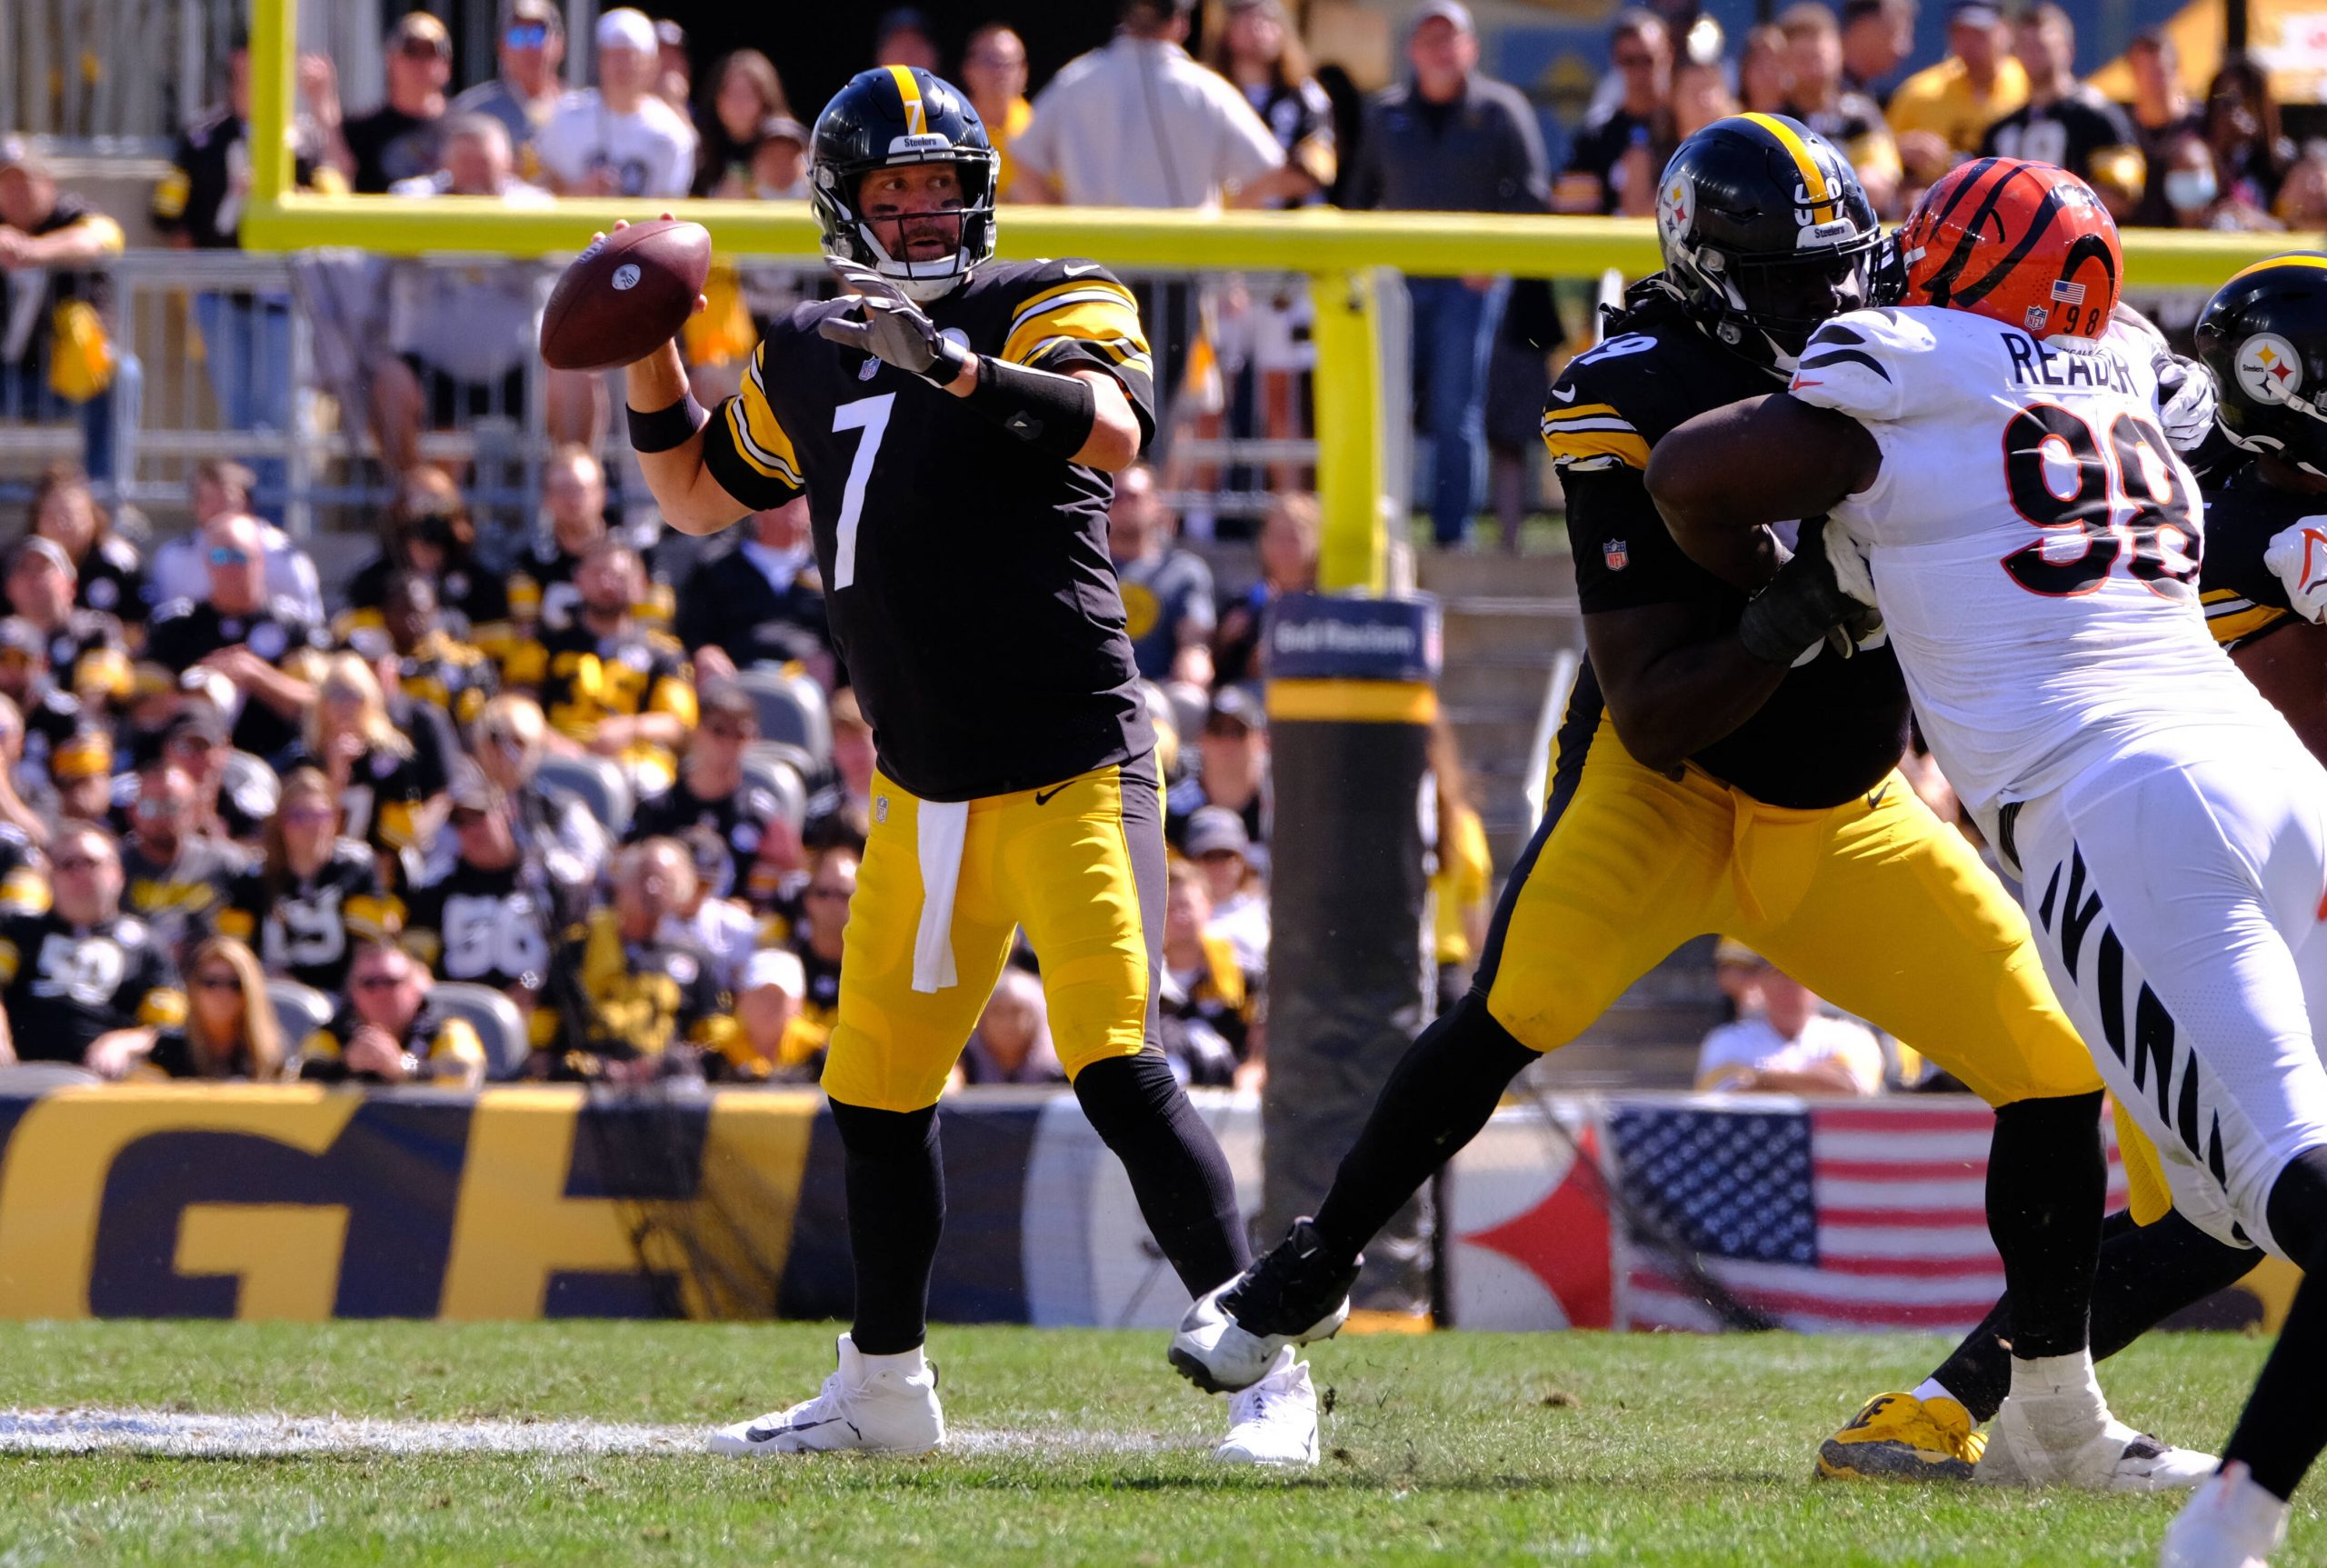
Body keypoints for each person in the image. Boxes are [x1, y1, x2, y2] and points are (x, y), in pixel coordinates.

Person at [1169, 118, 2205, 1493]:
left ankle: (2051, 1418)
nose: (1824, 307)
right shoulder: (1634, 384)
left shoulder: (1908, 329)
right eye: (1790, 282)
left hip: (1840, 811)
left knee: (2053, 1069)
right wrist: (1795, 614)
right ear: (1712, 273)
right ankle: (1308, 1267)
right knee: (1508, 1013)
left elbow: (2091, 355)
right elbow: (1653, 704)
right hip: (1664, 784)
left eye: (1842, 274)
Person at [611, 64, 1308, 1463]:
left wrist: (964, 371)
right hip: (923, 781)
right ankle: (884, 1386)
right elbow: (692, 496)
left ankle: (1268, 1378)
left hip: (1067, 756)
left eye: (941, 188)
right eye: (895, 192)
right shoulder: (808, 348)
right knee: (875, 1088)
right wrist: (647, 344)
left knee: (1116, 1061)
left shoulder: (1049, 293)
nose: (924, 214)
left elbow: (1116, 427)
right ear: (846, 207)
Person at [1643, 163, 2327, 1557]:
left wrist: (1795, 585)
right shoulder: (2130, 364)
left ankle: (2225, 1526)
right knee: (2221, 1195)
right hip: (2272, 781)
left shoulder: (1908, 354)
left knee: (2281, 1177)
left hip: (2112, 803)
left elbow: (1689, 468)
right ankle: (2172, 1486)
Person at [1343, 2, 1550, 547]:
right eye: (1429, 38)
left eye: (1450, 37)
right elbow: (1357, 202)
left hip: (1470, 281)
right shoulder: (1385, 114)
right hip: (1397, 285)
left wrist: (1493, 256)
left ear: (1471, 47)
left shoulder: (1503, 108)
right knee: (1385, 406)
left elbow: (1532, 198)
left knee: (1456, 409)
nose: (1441, 49)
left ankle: (1451, 536)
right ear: (1411, 50)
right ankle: (1378, 534)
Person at [151, 41, 344, 508]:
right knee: (240, 417)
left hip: (281, 299)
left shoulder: (299, 137)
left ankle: (281, 518)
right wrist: (192, 283)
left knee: (281, 416)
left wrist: (290, 192)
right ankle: (249, 515)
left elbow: (336, 201)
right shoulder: (201, 137)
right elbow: (169, 214)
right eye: (243, 70)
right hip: (219, 297)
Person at [1010, 1, 1293, 210]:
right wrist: (1225, 227)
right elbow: (1269, 172)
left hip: (1095, 267)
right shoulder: (1207, 88)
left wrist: (1064, 220)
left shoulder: (1076, 80)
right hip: (1181, 264)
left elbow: (1023, 158)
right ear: (1181, 22)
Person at [504, 537, 696, 799]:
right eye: (597, 574)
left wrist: (630, 728)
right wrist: (556, 743)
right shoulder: (544, 645)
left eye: (619, 576)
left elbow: (678, 724)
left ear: (641, 585)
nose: (607, 584)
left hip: (634, 761)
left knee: (652, 783)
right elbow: (516, 711)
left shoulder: (664, 653)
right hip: (560, 753)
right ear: (578, 580)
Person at [0, 140, 135, 492]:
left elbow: (101, 239)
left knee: (121, 379)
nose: (17, 193)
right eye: (6, 184)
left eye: (25, 182)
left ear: (48, 184)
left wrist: (34, 251)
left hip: (59, 378)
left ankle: (101, 496)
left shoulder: (73, 215)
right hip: (5, 375)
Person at [544, 836, 734, 1081]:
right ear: (622, 882)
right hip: (587, 1083)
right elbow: (544, 1031)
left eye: (664, 881)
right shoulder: (577, 949)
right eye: (644, 877)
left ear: (682, 889)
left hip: (665, 1091)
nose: (653, 889)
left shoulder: (697, 960)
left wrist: (659, 1065)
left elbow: (715, 1042)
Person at [138, 512, 325, 761]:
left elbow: (319, 704)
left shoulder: (294, 625)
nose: (230, 567)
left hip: (279, 759)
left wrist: (256, 675)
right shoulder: (175, 625)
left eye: (239, 555)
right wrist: (195, 691)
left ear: (260, 560)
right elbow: (140, 711)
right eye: (220, 556)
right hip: (192, 761)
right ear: (206, 563)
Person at [403, 758, 560, 1053]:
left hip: (538, 1017)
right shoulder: (436, 889)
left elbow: (573, 953)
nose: (470, 830)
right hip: (458, 1027)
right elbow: (415, 961)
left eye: (479, 816)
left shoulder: (549, 880)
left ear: (507, 811)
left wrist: (536, 983)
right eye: (459, 822)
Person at [0, 822, 182, 1066]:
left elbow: (166, 1025)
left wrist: (123, 1043)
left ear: (118, 873)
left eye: (91, 863)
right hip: (20, 1078)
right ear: (50, 875)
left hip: (106, 1086)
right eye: (68, 864)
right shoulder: (18, 931)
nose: (80, 874)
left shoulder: (145, 944)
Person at [217, 767, 397, 996]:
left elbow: (369, 950)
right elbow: (234, 953)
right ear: (280, 823)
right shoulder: (251, 879)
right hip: (273, 996)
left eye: (322, 815)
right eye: (299, 816)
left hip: (345, 998)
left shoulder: (356, 870)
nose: (312, 826)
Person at [630, 679, 795, 904]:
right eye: (718, 731)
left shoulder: (764, 816)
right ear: (697, 732)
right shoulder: (655, 808)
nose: (728, 744)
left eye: (740, 734)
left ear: (753, 739)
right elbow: (626, 883)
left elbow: (783, 889)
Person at [464, 694, 605, 918]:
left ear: (536, 748)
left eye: (518, 742)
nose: (505, 753)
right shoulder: (457, 804)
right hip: (468, 908)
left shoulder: (559, 807)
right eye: (495, 740)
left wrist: (522, 856)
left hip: (533, 917)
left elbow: (589, 867)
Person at [535, 8, 697, 199]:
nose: (621, 67)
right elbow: (540, 185)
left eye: (630, 57)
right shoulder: (566, 116)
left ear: (652, 64)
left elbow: (671, 209)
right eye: (613, 56)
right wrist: (578, 192)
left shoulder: (671, 134)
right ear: (599, 61)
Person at [673, 498, 836, 685]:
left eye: (800, 495)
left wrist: (828, 659)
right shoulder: (718, 567)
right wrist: (705, 652)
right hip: (735, 681)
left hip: (810, 686)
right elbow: (693, 633)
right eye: (785, 495)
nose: (792, 504)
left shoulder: (829, 571)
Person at [1977, 5, 2139, 186]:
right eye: (2025, 47)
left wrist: (2051, 207)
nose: (2033, 55)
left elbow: (2122, 192)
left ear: (2068, 49)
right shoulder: (2002, 131)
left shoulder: (2099, 118)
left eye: (2042, 46)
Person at [90, 934, 285, 1082]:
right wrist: (114, 1044)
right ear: (193, 989)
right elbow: (149, 1039)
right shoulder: (174, 1048)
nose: (222, 993)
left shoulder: (275, 1055)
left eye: (235, 985)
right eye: (211, 983)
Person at [117, 754, 254, 965]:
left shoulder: (227, 863)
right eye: (149, 807)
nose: (160, 817)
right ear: (132, 812)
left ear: (195, 809)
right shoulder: (115, 866)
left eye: (171, 806)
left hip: (211, 979)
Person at [147, 462, 325, 623]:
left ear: (247, 503)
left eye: (226, 499)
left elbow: (311, 625)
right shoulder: (174, 558)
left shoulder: (284, 557)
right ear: (195, 506)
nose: (218, 509)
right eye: (208, 500)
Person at [300, 938, 484, 1088]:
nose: (381, 993)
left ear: (415, 989)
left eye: (391, 982)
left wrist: (404, 1067)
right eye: (369, 983)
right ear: (353, 993)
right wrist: (345, 1065)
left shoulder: (447, 1027)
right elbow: (301, 1076)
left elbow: (464, 1073)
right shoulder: (334, 1033)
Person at [1695, 955, 1884, 1094]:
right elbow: (1726, 1095)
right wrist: (1815, 1079)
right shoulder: (1727, 1039)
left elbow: (1851, 1087)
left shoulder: (1852, 1036)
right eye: (1778, 974)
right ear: (1761, 981)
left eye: (1800, 977)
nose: (1789, 985)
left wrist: (1762, 1078)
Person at [1780, 2, 1902, 215]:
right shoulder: (1777, 122)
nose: (1814, 67)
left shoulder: (1860, 115)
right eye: (1804, 58)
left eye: (1820, 56)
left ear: (1839, 53)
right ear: (1785, 61)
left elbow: (1879, 185)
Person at [1885, 0, 2028, 169]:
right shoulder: (1920, 93)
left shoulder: (2029, 85)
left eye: (1979, 33)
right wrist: (1902, 152)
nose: (1969, 44)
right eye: (1959, 32)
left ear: (2005, 30)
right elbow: (1881, 157)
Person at [1108, 463, 1214, 688]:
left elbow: (1194, 642)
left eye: (1133, 496)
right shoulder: (1084, 570)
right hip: (1098, 689)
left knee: (1189, 698)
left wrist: (1193, 660)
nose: (1124, 505)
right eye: (1116, 497)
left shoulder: (1184, 571)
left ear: (1156, 504)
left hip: (1160, 691)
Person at [1558, 10, 1672, 216]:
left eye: (1647, 60)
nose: (1639, 72)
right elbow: (1573, 217)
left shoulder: (1683, 129)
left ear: (1667, 56)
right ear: (1615, 61)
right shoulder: (1595, 137)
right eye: (1629, 61)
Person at [448, 0, 567, 185]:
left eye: (538, 36)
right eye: (517, 37)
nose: (529, 47)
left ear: (559, 45)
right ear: (501, 47)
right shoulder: (472, 111)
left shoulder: (580, 110)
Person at [1156, 859, 1252, 1087]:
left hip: (1230, 1101)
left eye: (1187, 905)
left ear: (1208, 906)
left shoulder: (1240, 978)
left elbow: (1260, 1047)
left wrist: (1251, 1074)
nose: (1180, 916)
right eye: (1170, 909)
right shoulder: (1145, 981)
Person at [337, 12, 453, 194]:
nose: (421, 63)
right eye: (411, 52)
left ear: (447, 65)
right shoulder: (359, 131)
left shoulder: (466, 129)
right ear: (390, 60)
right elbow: (339, 181)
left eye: (431, 53)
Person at [1213, 493, 1318, 687]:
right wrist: (1224, 640)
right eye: (1276, 536)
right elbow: (1218, 669)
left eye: (1292, 538)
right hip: (1247, 700)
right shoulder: (1246, 603)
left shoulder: (1324, 606)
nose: (1283, 547)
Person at [1427, 719, 1492, 1014]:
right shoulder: (1465, 828)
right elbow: (1477, 932)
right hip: (1446, 982)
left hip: (1386, 976)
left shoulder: (1381, 831)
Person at [1168, 687, 1269, 851]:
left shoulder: (1278, 808)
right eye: (1217, 730)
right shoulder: (1174, 811)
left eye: (1238, 732)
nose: (1227, 742)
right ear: (1200, 739)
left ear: (1261, 741)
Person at [2125, 30, 2202, 227]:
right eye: (2146, 71)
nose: (2155, 81)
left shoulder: (2201, 125)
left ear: (2176, 70)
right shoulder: (2122, 129)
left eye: (2161, 71)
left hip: (2195, 237)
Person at [692, 49, 790, 197]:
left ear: (765, 99)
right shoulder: (701, 147)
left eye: (747, 94)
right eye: (731, 93)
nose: (738, 104)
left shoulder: (786, 143)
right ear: (716, 98)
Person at [1182, 804, 1268, 974]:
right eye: (1210, 856)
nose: (1220, 866)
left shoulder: (1265, 911)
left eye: (1227, 855)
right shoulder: (1174, 913)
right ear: (1191, 862)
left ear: (1242, 861)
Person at [959, 25, 1035, 203]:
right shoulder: (952, 131)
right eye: (989, 61)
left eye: (1008, 64)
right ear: (968, 69)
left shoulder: (1038, 130)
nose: (999, 72)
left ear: (1024, 71)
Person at [956, 966, 1066, 1087]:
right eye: (997, 1012)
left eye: (1016, 1012)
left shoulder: (1063, 1071)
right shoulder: (964, 1064)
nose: (1007, 1023)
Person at [1841, 0, 1918, 103]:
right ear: (1865, 29)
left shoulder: (1858, 92)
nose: (1905, 49)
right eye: (1897, 33)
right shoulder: (1822, 94)